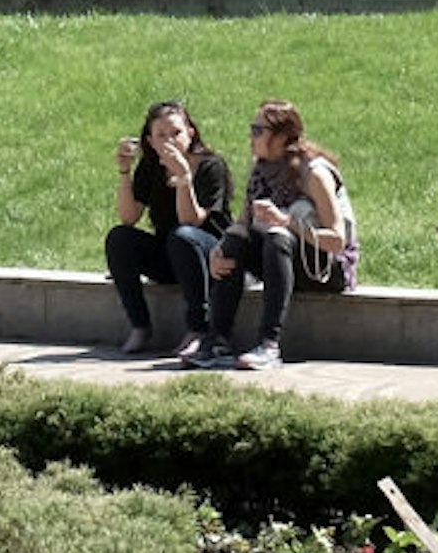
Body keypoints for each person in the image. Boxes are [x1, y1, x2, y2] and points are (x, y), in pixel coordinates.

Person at [207, 98, 357, 370]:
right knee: (236, 241)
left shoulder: (313, 173)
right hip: (281, 262)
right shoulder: (261, 170)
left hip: (324, 269)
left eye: (258, 130)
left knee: (278, 235)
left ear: (282, 136)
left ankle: (269, 345)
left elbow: (337, 241)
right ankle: (216, 341)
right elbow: (242, 223)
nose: (251, 137)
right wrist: (219, 250)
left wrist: (287, 222)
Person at [103, 99, 231, 358]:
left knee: (181, 235)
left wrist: (184, 178)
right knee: (119, 237)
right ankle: (140, 326)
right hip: (169, 256)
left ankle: (199, 329)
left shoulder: (210, 166)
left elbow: (191, 220)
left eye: (176, 133)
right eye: (161, 135)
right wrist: (124, 172)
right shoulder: (150, 167)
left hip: (209, 257)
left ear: (190, 132)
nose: (170, 141)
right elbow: (129, 217)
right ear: (150, 141)